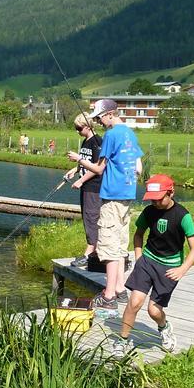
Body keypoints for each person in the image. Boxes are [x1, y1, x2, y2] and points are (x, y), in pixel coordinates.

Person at [109, 174, 194, 357]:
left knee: (154, 310)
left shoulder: (183, 216)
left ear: (171, 192)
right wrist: (138, 257)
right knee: (134, 302)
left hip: (169, 267)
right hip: (148, 261)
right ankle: (123, 340)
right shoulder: (149, 211)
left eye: (159, 199)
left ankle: (164, 327)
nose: (155, 203)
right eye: (152, 199)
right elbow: (138, 235)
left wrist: (182, 269)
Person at [68, 98, 143, 311]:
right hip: (127, 194)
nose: (99, 122)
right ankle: (119, 289)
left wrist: (78, 160)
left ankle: (108, 296)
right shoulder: (129, 133)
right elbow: (139, 166)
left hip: (112, 195)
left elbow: (99, 169)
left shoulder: (111, 135)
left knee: (108, 246)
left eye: (99, 117)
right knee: (120, 245)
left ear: (110, 113)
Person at [63, 113, 102, 269]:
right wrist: (75, 170)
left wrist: (81, 180)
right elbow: (87, 162)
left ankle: (89, 254)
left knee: (92, 218)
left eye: (78, 128)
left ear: (87, 126)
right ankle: (94, 252)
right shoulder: (85, 142)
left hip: (94, 188)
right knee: (87, 218)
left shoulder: (97, 142)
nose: (77, 131)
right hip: (86, 187)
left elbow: (98, 167)